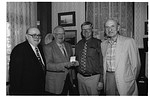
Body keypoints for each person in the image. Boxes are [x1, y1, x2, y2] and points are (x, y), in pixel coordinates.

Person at [101, 19, 141, 95]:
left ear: (118, 28)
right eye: (107, 27)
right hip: (109, 79)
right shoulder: (103, 44)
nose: (110, 29)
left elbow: (136, 65)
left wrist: (131, 79)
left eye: (112, 26)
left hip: (125, 80)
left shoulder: (129, 41)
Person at [9, 27, 46, 95]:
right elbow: (15, 76)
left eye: (39, 35)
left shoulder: (40, 48)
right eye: (34, 35)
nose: (37, 37)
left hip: (39, 90)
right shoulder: (19, 50)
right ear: (27, 36)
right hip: (25, 91)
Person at [44, 26, 78, 95]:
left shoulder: (68, 45)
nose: (61, 36)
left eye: (63, 34)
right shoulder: (48, 47)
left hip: (69, 80)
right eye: (58, 34)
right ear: (54, 35)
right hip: (56, 82)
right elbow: (48, 66)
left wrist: (74, 64)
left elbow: (71, 61)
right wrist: (65, 64)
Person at [75, 21, 103, 95]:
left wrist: (101, 80)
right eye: (83, 29)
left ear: (92, 30)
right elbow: (76, 59)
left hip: (94, 78)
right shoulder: (78, 44)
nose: (86, 31)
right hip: (80, 78)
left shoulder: (99, 43)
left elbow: (103, 63)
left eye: (88, 29)